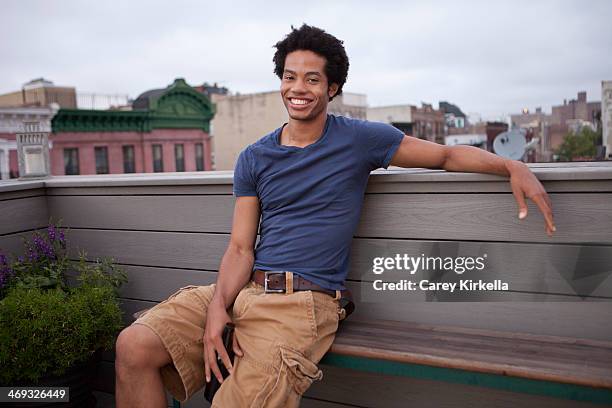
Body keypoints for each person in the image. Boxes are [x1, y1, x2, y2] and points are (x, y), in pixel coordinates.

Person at [114, 24, 556, 408]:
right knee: (133, 346)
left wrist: (511, 165)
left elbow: (444, 155)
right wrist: (216, 310)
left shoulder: (360, 139)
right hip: (243, 289)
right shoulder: (255, 157)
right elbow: (240, 247)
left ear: (332, 88)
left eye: (311, 79)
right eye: (289, 77)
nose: (298, 88)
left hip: (301, 304)